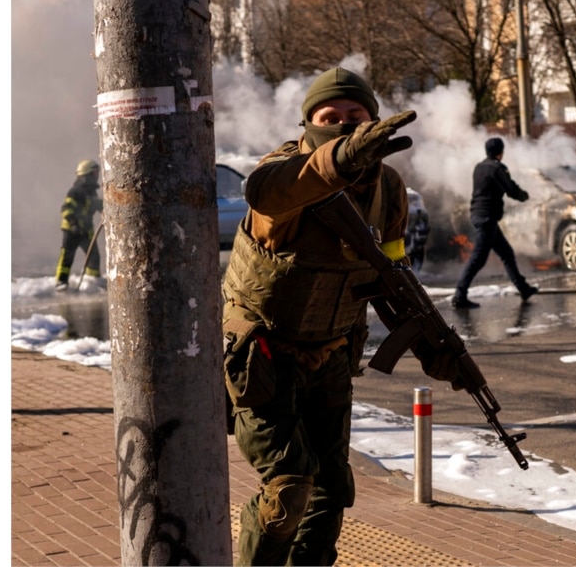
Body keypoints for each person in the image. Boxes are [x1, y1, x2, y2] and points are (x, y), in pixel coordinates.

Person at [220, 67, 459, 566]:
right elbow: (265, 194)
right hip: (264, 357)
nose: (346, 126)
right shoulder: (284, 172)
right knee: (289, 491)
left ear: (375, 120)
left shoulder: (389, 191)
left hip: (330, 354)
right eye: (331, 118)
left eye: (357, 117)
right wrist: (339, 159)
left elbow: (393, 278)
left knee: (331, 489)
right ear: (308, 124)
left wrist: (433, 347)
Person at [452, 137, 538, 309]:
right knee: (478, 259)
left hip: (480, 215)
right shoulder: (497, 168)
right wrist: (525, 196)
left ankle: (523, 288)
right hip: (487, 218)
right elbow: (511, 190)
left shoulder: (479, 167)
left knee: (506, 253)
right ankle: (459, 295)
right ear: (500, 151)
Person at [54, 159, 102, 291]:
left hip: (86, 230)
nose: (97, 175)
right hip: (72, 230)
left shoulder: (91, 191)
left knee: (93, 256)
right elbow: (66, 209)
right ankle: (61, 282)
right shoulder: (76, 191)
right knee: (67, 256)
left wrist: (104, 207)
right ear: (87, 174)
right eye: (94, 172)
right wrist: (74, 224)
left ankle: (93, 281)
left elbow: (93, 204)